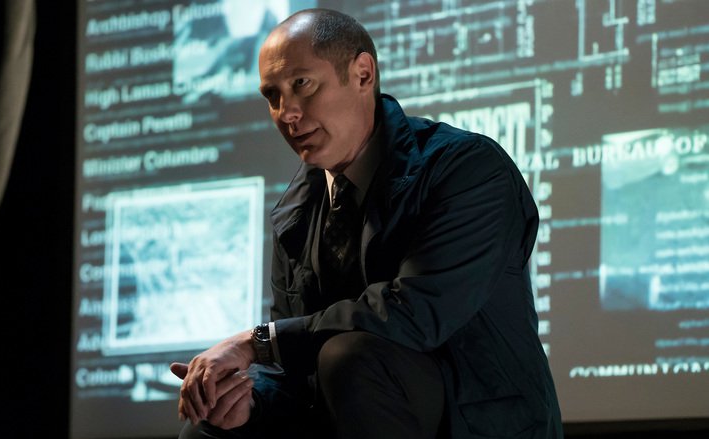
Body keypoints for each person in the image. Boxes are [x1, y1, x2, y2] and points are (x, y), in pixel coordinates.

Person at [170, 8, 563, 439]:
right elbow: (296, 375)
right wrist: (248, 406)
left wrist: (258, 342)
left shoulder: (468, 168)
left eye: (301, 84)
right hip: (356, 413)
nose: (287, 113)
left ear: (362, 74)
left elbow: (414, 314)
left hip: (482, 425)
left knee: (348, 356)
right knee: (207, 429)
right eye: (272, 95)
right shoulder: (294, 212)